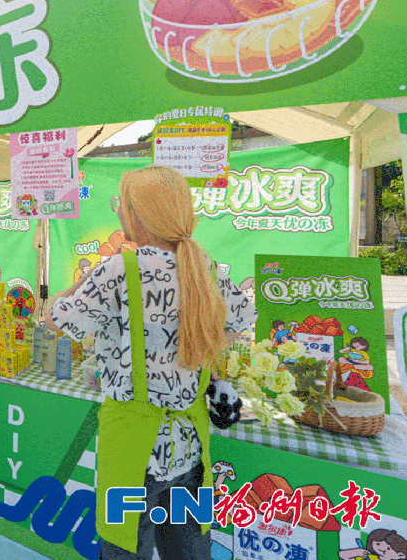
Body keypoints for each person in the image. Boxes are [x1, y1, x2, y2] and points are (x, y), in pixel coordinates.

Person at [48, 166, 256, 560]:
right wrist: (195, 352)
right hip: (191, 449)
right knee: (189, 552)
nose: (119, 212)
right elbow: (239, 321)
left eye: (122, 204)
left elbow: (56, 320)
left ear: (140, 213)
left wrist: (75, 286)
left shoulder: (119, 270)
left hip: (133, 449)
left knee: (125, 549)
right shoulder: (203, 265)